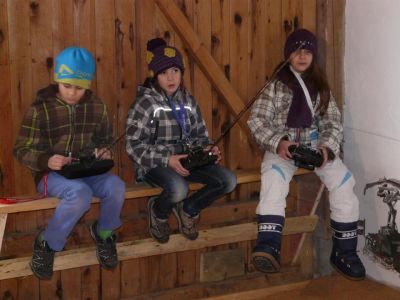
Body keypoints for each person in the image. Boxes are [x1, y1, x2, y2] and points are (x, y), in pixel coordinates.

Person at [247, 29, 365, 280]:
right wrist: (278, 142)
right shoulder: (275, 86)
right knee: (273, 181)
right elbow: (257, 120)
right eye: (297, 50)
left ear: (313, 56)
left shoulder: (320, 87)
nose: (302, 56)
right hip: (285, 148)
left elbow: (333, 121)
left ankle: (345, 252)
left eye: (308, 51)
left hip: (314, 148)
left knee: (345, 184)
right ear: (288, 54)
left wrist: (327, 149)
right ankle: (269, 245)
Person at [13, 46, 125, 279]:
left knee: (116, 186)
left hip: (86, 169)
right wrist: (45, 160)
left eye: (80, 88)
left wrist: (105, 151)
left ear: (88, 85)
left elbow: (106, 140)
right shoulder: (40, 109)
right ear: (57, 81)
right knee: (80, 194)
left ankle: (104, 233)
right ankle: (47, 242)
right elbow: (21, 150)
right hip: (50, 175)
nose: (73, 93)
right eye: (67, 86)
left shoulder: (97, 107)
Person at [125, 38, 237, 244]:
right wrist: (168, 159)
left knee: (228, 180)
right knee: (179, 189)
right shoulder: (145, 104)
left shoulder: (188, 101)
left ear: (182, 74)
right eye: (164, 72)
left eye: (175, 71)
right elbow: (133, 146)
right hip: (155, 164)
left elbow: (200, 135)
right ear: (154, 75)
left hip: (188, 161)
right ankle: (158, 213)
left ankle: (189, 209)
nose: (171, 77)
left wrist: (208, 148)